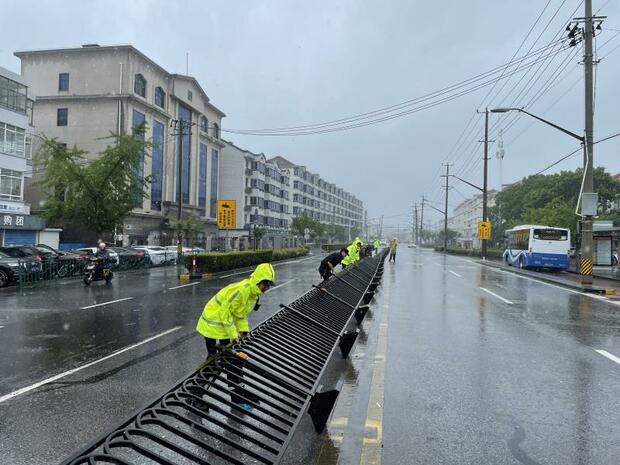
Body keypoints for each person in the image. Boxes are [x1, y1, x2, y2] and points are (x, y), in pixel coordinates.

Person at [195, 263, 276, 410]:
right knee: (214, 362)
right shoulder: (243, 290)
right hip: (212, 325)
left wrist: (244, 331)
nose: (267, 288)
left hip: (223, 326)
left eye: (269, 285)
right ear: (258, 280)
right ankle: (195, 395)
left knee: (233, 361)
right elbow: (224, 313)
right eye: (266, 284)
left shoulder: (253, 294)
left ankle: (237, 398)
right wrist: (233, 335)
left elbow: (240, 315)